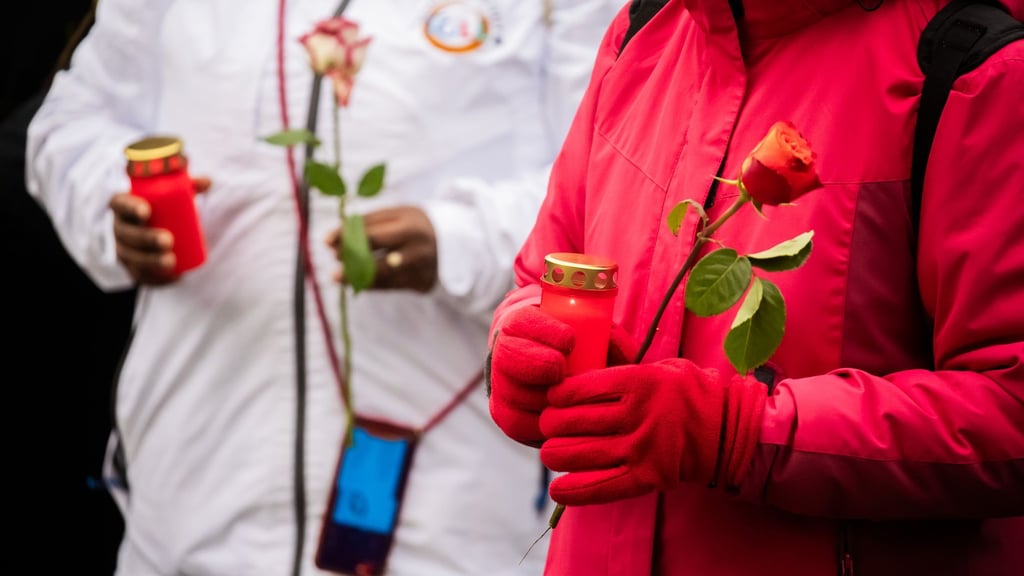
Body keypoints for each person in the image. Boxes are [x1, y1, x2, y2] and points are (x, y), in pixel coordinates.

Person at [25, 1, 622, 575]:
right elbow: (69, 124)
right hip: (193, 490)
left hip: (454, 509)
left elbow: (618, 178)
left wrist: (458, 241)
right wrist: (113, 204)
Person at [486, 0, 1024, 575]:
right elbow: (547, 272)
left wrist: (743, 433)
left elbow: (1010, 411)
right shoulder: (646, 28)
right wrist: (523, 347)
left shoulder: (970, 66)